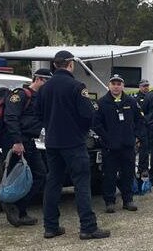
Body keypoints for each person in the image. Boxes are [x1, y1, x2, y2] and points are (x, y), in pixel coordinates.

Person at [35, 50, 110, 240]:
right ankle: (88, 227)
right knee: (82, 183)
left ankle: (50, 227)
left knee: (53, 183)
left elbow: (38, 115)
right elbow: (88, 115)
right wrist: (81, 131)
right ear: (70, 64)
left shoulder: (44, 88)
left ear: (54, 65)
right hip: (74, 143)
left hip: (52, 142)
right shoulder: (77, 86)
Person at [1, 68, 52, 227]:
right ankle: (11, 206)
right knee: (14, 176)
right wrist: (17, 141)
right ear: (37, 79)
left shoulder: (40, 98)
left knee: (40, 174)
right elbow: (10, 117)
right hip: (16, 141)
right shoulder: (20, 94)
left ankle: (20, 208)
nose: (47, 85)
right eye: (45, 81)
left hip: (29, 141)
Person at [94, 74, 145, 213]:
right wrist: (106, 138)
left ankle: (128, 200)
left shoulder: (131, 101)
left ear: (123, 86)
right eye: (113, 83)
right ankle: (109, 201)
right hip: (110, 147)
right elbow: (96, 124)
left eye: (118, 84)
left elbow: (140, 121)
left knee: (128, 174)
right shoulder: (102, 102)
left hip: (127, 146)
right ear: (109, 85)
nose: (116, 86)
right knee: (109, 175)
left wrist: (136, 137)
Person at [134, 79, 150, 180]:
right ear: (140, 87)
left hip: (150, 126)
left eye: (147, 86)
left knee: (147, 149)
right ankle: (142, 168)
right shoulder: (136, 98)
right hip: (141, 126)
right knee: (143, 149)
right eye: (144, 86)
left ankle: (145, 168)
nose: (146, 87)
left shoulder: (151, 96)